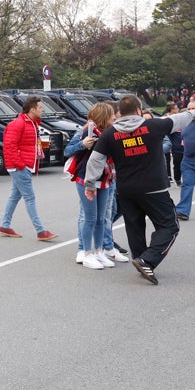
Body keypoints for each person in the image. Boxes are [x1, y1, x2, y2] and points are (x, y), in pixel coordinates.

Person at [84, 95, 195, 285]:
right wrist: (193, 112)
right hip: (154, 189)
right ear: (138, 110)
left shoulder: (110, 134)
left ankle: (140, 259)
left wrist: (90, 184)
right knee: (169, 225)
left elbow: (95, 160)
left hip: (126, 190)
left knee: (135, 227)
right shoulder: (153, 126)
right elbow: (178, 119)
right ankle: (148, 259)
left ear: (120, 113)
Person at [65, 102, 118, 269]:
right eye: (111, 115)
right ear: (104, 117)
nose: (115, 117)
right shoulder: (87, 131)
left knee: (101, 219)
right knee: (90, 218)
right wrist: (83, 144)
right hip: (87, 180)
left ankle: (99, 251)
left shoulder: (109, 132)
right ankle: (86, 252)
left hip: (105, 179)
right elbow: (67, 151)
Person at [0, 95, 58, 241]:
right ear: (32, 110)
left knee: (15, 196)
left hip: (24, 165)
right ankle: (40, 231)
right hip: (20, 166)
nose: (42, 110)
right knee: (30, 197)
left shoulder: (31, 123)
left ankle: (5, 225)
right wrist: (20, 165)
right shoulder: (18, 124)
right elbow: (9, 146)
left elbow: (27, 144)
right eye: (40, 108)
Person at [165, 102, 184, 186]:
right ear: (172, 110)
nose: (178, 109)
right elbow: (166, 134)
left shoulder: (179, 117)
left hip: (184, 145)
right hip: (176, 146)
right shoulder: (167, 120)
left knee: (186, 163)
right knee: (177, 164)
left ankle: (186, 179)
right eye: (176, 108)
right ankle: (177, 178)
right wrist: (169, 146)